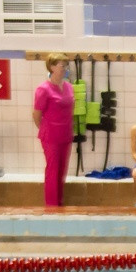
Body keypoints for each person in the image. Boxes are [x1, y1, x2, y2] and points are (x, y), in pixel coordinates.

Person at [32, 56, 76, 209]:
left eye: (66, 65)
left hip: (66, 134)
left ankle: (59, 202)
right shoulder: (43, 89)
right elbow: (37, 115)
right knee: (53, 169)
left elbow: (71, 109)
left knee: (62, 169)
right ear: (51, 67)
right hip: (51, 136)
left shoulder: (69, 87)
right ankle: (51, 205)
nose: (64, 68)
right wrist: (47, 129)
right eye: (61, 65)